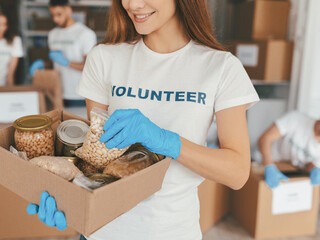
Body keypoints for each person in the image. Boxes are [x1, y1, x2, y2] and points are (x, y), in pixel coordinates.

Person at [27, 0, 259, 239]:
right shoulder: (104, 58)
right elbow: (95, 161)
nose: (133, 4)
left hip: (172, 231)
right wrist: (68, 199)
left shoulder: (221, 68)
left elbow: (237, 172)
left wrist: (167, 141)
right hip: (101, 231)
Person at [29, 0, 97, 107]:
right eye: (52, 15)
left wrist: (66, 62)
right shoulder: (53, 34)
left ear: (68, 10)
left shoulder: (85, 34)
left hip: (79, 96)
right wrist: (44, 65)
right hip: (57, 93)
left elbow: (90, 68)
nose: (55, 19)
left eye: (59, 14)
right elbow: (54, 64)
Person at [257, 111, 320, 189]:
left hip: (286, 170)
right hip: (263, 162)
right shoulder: (296, 119)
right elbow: (265, 139)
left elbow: (308, 163)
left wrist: (314, 169)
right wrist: (269, 166)